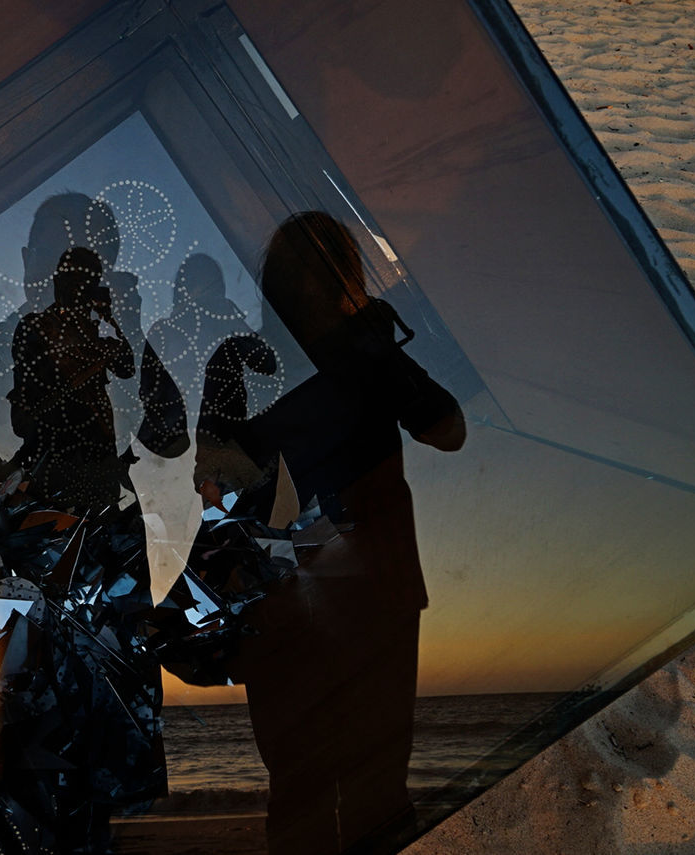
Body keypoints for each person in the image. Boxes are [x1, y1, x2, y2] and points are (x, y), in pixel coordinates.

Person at [196, 211, 465, 855]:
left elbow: (447, 430)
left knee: (318, 793)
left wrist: (375, 357)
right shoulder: (253, 358)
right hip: (338, 594)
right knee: (346, 792)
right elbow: (216, 478)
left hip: (332, 595)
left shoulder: (341, 353)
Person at [0, 203, 186, 853]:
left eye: (89, 260)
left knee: (97, 803)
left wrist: (130, 343)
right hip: (29, 593)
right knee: (18, 786)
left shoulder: (118, 343)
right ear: (27, 266)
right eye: (57, 257)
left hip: (105, 584)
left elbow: (170, 433)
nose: (68, 275)